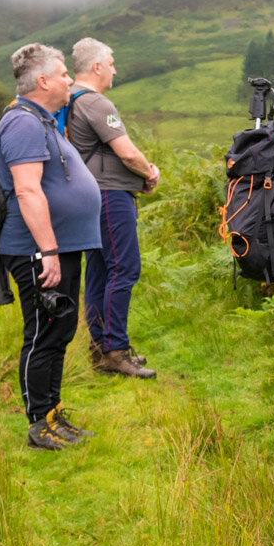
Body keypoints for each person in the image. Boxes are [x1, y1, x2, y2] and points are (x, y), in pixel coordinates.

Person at [0, 43, 103, 450]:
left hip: (56, 247)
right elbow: (26, 191)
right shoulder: (22, 123)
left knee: (59, 331)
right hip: (37, 250)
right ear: (42, 81)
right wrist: (48, 251)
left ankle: (53, 414)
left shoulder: (40, 120)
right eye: (62, 74)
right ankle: (39, 424)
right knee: (42, 333)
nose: (69, 80)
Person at [65, 38, 161, 379]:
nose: (115, 69)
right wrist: (149, 173)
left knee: (101, 271)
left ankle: (101, 348)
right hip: (109, 195)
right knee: (124, 268)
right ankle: (115, 350)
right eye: (111, 62)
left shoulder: (71, 99)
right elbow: (128, 153)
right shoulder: (94, 101)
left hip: (90, 194)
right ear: (96, 67)